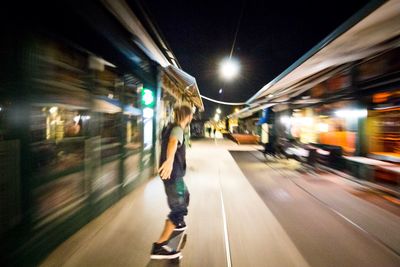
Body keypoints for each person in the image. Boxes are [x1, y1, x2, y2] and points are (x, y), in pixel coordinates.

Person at [150, 105, 193, 260]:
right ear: (188, 117)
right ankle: (159, 247)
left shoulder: (169, 126)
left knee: (185, 195)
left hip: (174, 176)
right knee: (179, 209)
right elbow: (173, 142)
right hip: (173, 175)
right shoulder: (178, 130)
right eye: (191, 116)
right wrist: (169, 161)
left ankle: (178, 222)